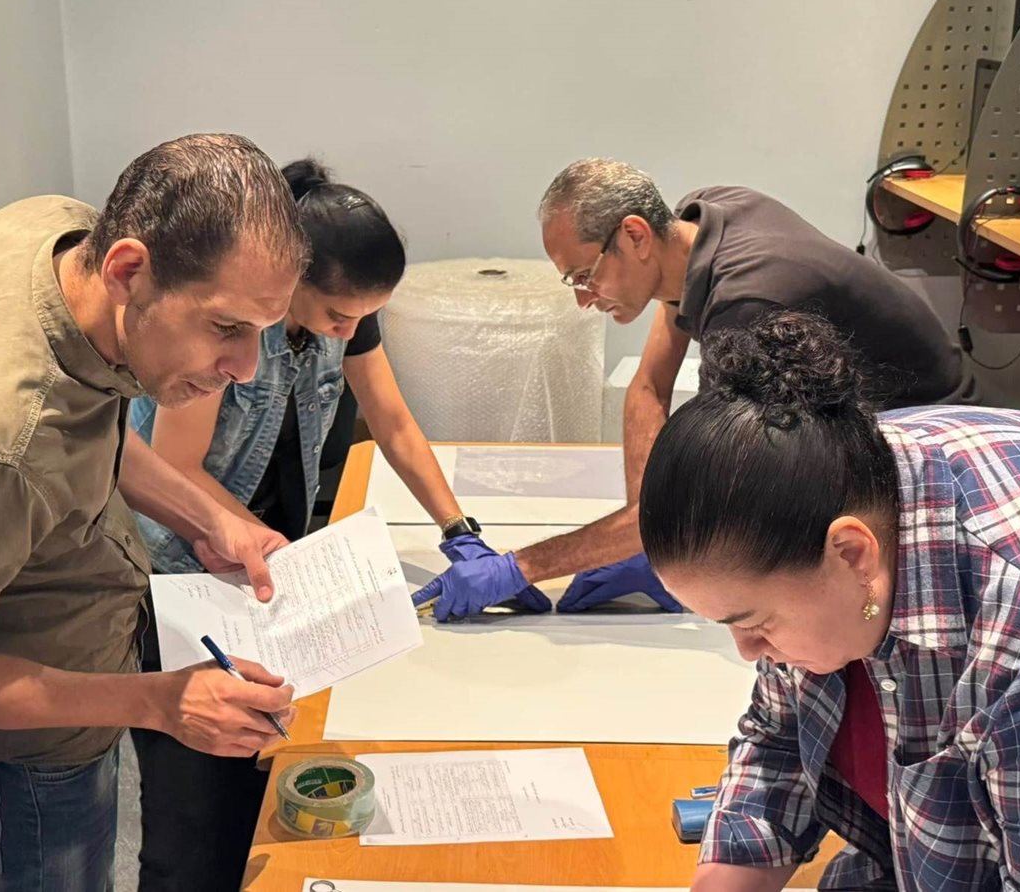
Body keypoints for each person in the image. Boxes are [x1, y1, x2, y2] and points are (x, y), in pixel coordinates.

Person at [0, 133, 309, 892]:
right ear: (128, 270)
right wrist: (159, 702)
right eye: (226, 327)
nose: (244, 369)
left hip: (81, 658)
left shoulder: (54, 232)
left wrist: (209, 519)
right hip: (26, 748)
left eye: (262, 334)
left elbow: (80, 425)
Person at [128, 157, 545, 889]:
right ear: (289, 280)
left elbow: (393, 421)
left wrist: (459, 530)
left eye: (360, 318)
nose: (348, 331)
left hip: (261, 562)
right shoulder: (230, 338)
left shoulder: (342, 313)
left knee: (264, 775)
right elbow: (175, 469)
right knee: (194, 813)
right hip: (184, 575)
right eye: (336, 317)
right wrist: (270, 550)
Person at [413, 159, 980, 621]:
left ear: (634, 235)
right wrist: (645, 526)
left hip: (923, 446)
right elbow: (648, 386)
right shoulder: (701, 218)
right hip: (860, 413)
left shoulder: (747, 305)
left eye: (584, 276)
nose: (583, 299)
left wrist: (519, 567)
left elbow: (704, 493)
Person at [639, 311, 1020, 891]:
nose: (748, 651)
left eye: (755, 622)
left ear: (851, 553)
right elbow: (779, 741)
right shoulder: (823, 477)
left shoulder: (1015, 626)